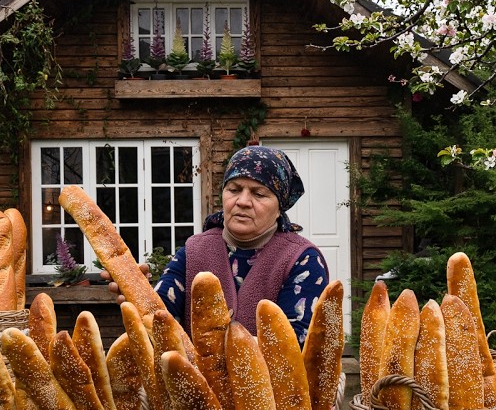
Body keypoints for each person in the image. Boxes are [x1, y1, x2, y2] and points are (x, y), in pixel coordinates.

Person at [106, 145, 330, 346]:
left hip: (274, 393)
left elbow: (294, 344)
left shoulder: (302, 259)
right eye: (234, 189)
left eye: (259, 193)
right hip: (198, 391)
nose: (242, 201)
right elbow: (161, 325)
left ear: (280, 206)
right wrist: (141, 299)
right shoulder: (194, 251)